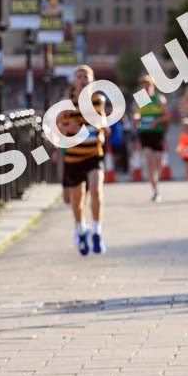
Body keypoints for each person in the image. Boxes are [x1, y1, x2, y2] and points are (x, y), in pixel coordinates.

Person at [57, 65, 107, 255]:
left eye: (86, 76)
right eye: (79, 76)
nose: (83, 79)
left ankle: (97, 231)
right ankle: (81, 229)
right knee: (77, 200)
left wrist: (102, 129)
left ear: (92, 80)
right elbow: (54, 127)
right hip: (73, 156)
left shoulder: (97, 100)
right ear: (74, 81)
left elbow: (101, 120)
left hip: (94, 153)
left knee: (96, 190)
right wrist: (66, 129)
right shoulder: (66, 104)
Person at [132, 75, 170, 202]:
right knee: (149, 160)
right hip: (145, 133)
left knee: (158, 163)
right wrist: (136, 119)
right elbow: (135, 114)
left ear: (153, 86)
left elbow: (167, 116)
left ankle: (156, 180)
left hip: (157, 133)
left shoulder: (158, 99)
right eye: (143, 85)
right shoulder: (140, 99)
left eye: (148, 85)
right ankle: (154, 190)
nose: (146, 88)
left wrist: (157, 120)